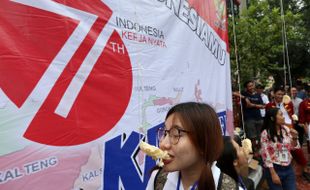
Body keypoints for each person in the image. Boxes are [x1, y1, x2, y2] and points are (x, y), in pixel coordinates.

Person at [146, 102, 237, 190]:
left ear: (203, 142)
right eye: (165, 133)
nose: (163, 144)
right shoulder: (158, 179)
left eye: (176, 134)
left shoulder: (227, 187)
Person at [260, 107, 299, 190]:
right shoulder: (265, 134)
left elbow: (293, 147)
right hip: (275, 168)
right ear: (272, 118)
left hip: (288, 167)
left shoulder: (286, 129)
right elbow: (265, 155)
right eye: (281, 115)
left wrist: (295, 137)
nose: (283, 117)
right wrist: (273, 173)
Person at [241, 81, 265, 155]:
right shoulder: (244, 94)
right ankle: (254, 153)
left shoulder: (258, 95)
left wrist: (252, 105)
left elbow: (263, 106)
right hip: (249, 119)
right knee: (252, 137)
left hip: (259, 118)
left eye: (252, 85)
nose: (251, 87)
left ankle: (259, 152)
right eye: (249, 86)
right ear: (246, 88)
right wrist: (245, 98)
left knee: (260, 136)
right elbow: (234, 93)